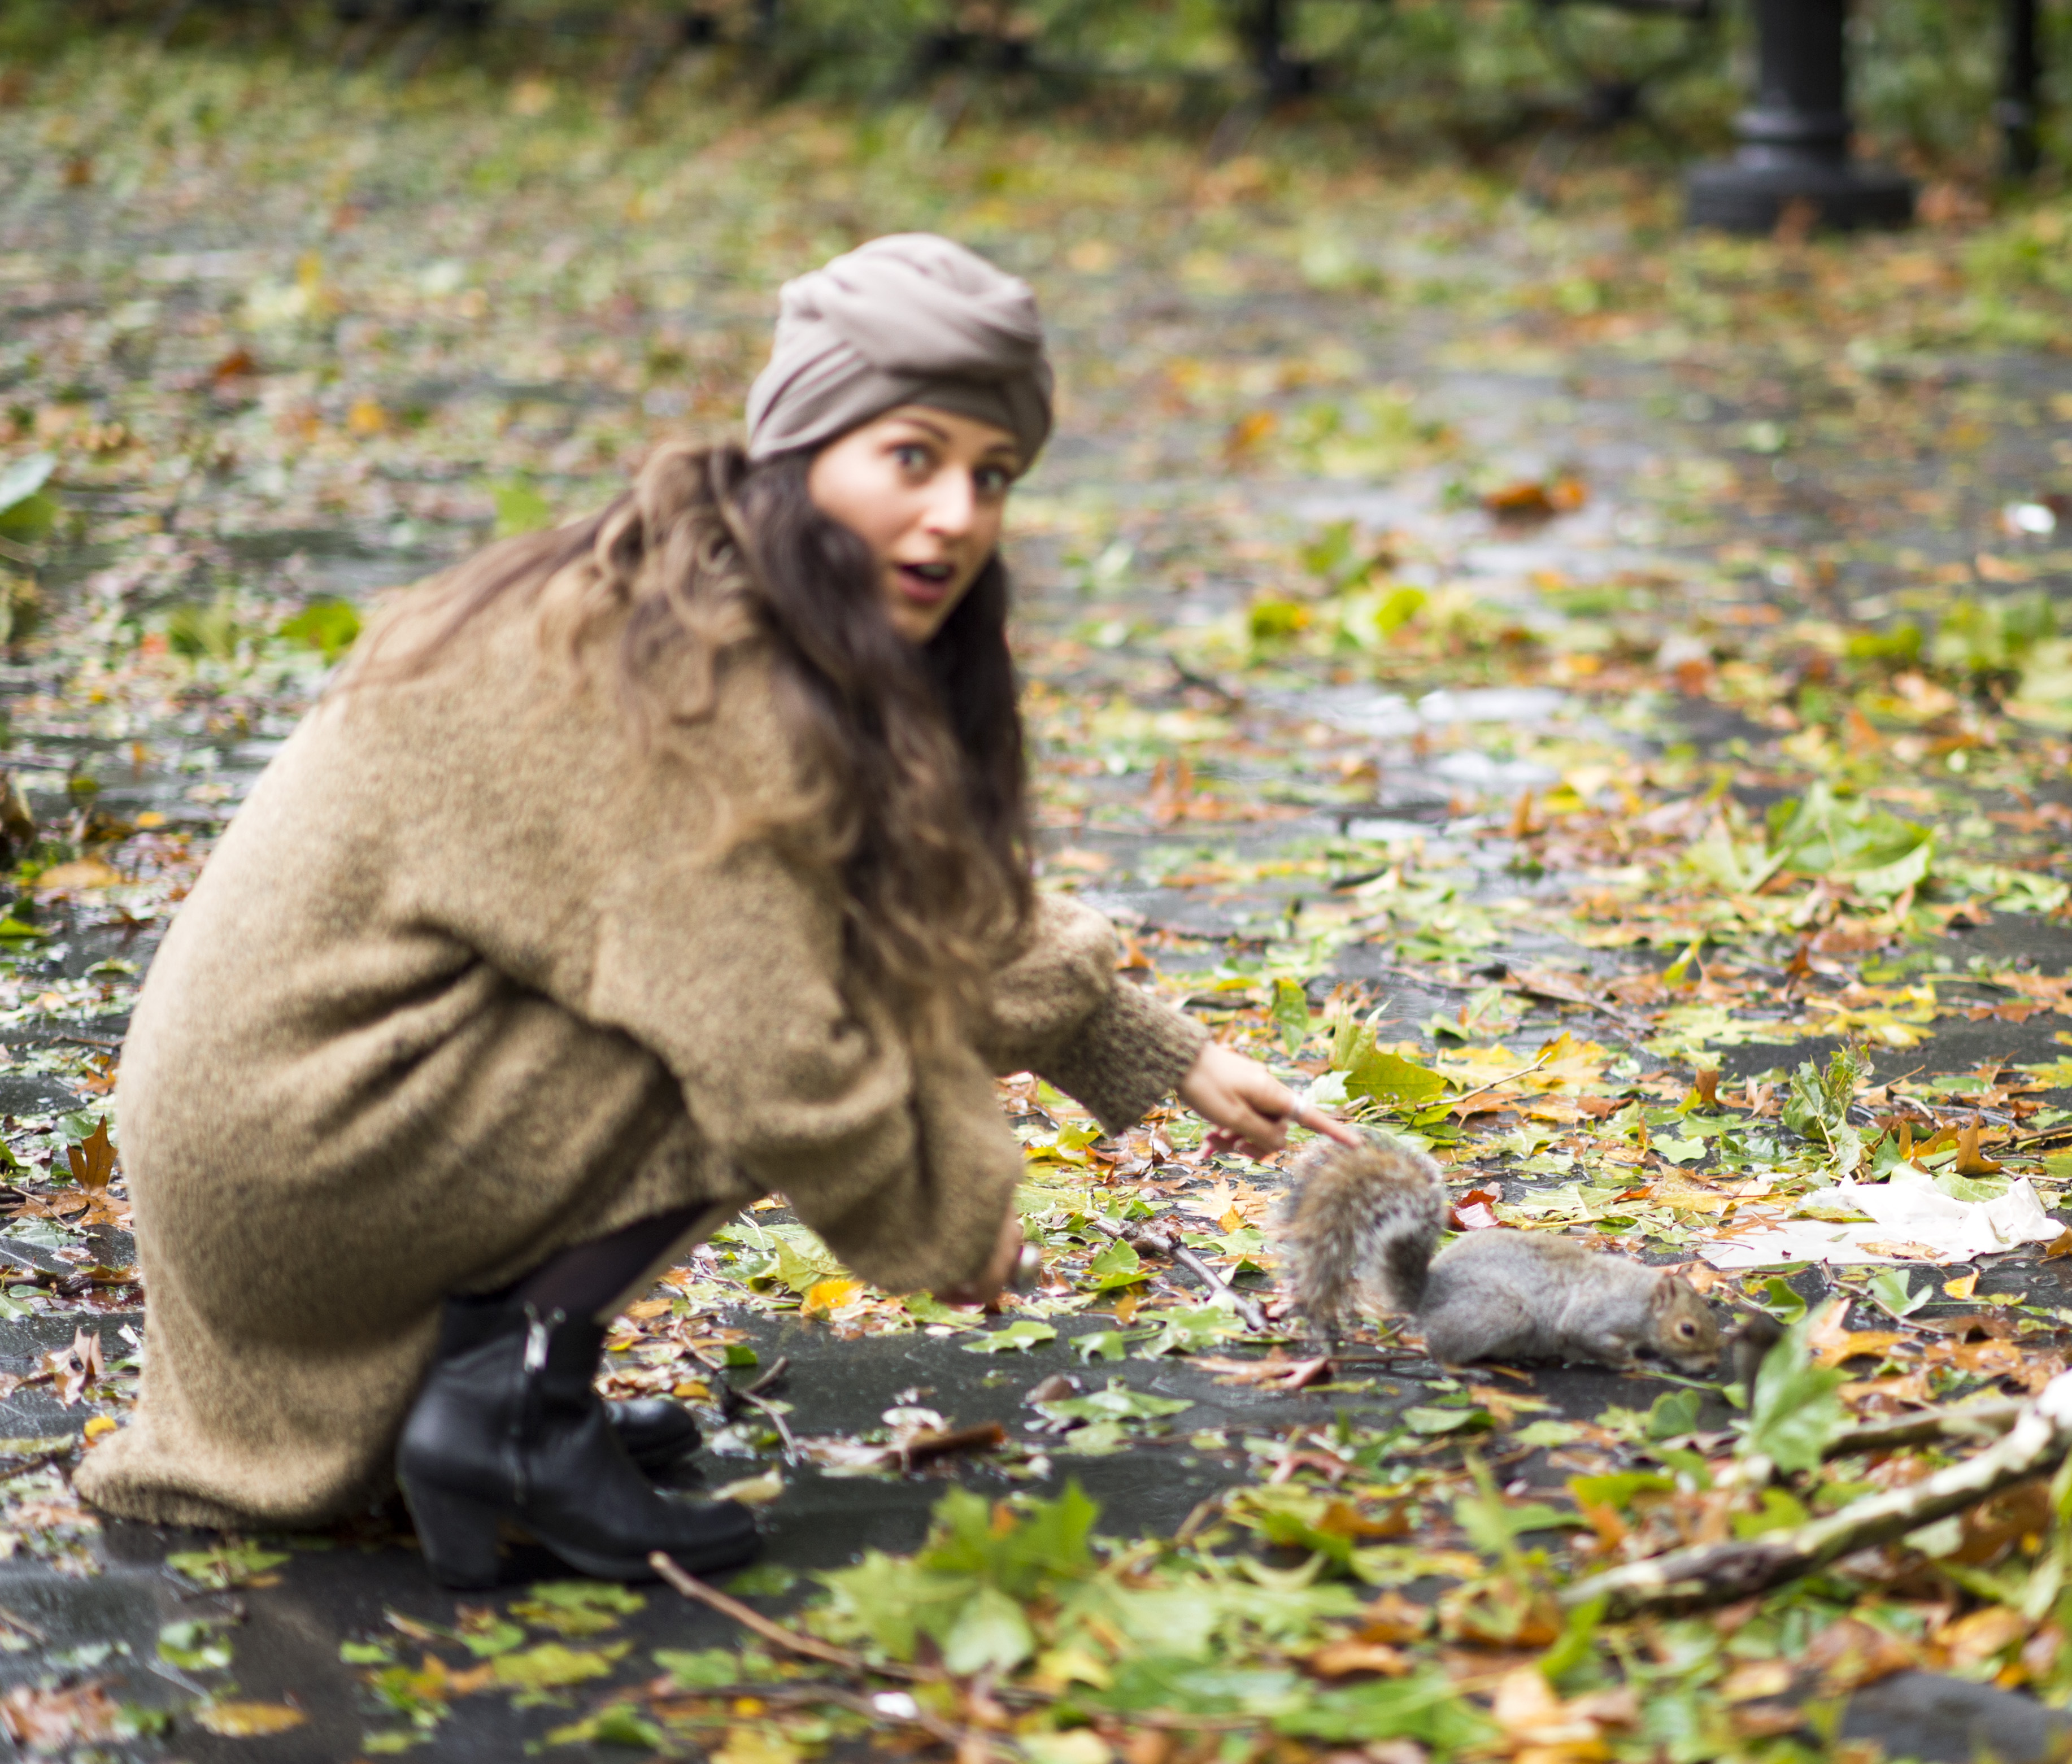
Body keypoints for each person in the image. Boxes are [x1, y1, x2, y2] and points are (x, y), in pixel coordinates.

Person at [75, 234, 1346, 1587]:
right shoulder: (686, 674)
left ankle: (501, 1384)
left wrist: (1152, 1047)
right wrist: (948, 1209)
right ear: (801, 450)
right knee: (755, 1022)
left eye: (992, 475)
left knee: (764, 978)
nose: (959, 514)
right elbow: (784, 1035)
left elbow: (889, 887)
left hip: (300, 1141)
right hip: (294, 1166)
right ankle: (507, 1412)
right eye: (911, 457)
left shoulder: (720, 592)